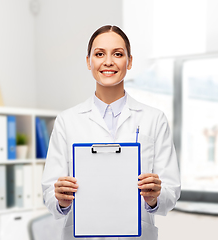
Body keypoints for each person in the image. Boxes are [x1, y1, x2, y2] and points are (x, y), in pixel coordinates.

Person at [42, 25, 181, 240]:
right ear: (89, 61)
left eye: (117, 54)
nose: (108, 62)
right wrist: (60, 199)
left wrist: (155, 197)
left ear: (130, 61)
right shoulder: (67, 121)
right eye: (99, 54)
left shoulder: (154, 119)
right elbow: (49, 194)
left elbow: (171, 192)